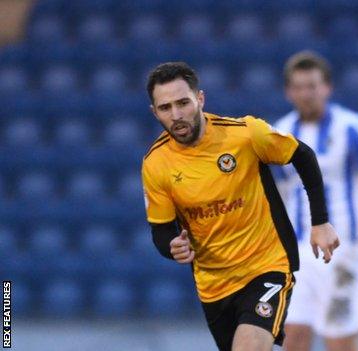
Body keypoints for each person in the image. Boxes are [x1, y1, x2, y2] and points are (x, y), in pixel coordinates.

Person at [141, 61, 340, 351]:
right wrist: (173, 246)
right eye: (165, 108)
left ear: (200, 99)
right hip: (214, 285)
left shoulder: (245, 134)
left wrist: (320, 221)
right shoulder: (155, 164)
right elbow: (161, 230)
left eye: (183, 102)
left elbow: (303, 156)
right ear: (154, 112)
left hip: (266, 266)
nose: (177, 115)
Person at [273, 51, 358, 351]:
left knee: (340, 342)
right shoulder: (279, 133)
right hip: (297, 254)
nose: (306, 94)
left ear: (327, 87)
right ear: (289, 91)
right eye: (299, 87)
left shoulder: (353, 128)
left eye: (312, 86)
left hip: (344, 251)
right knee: (294, 339)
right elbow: (278, 195)